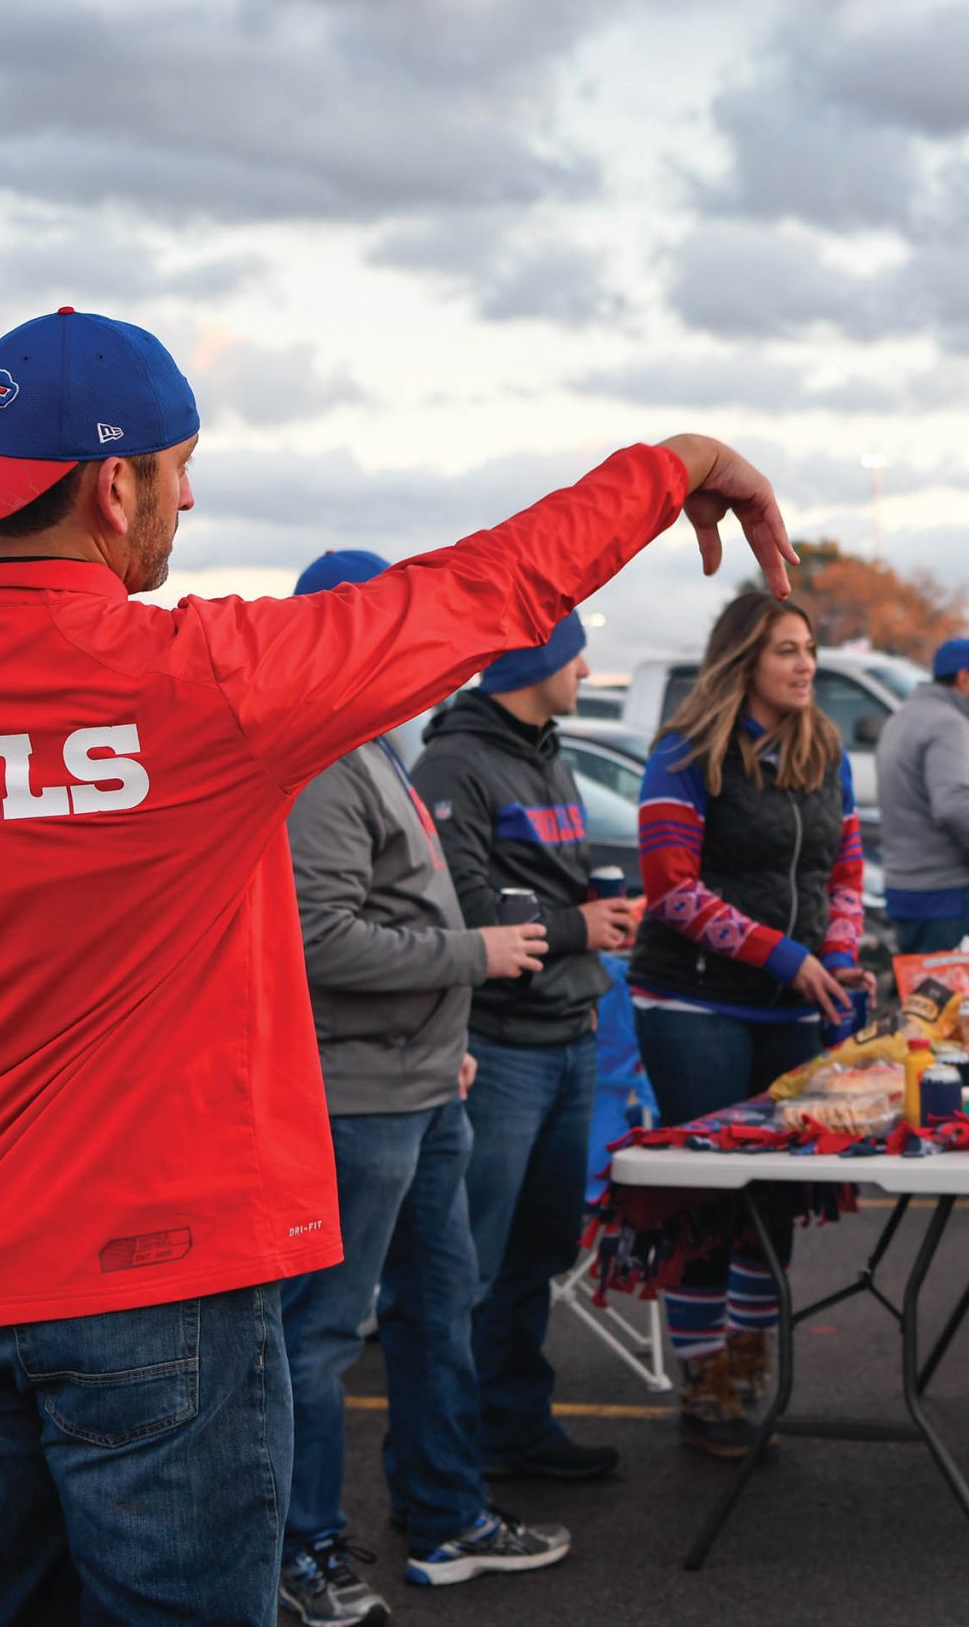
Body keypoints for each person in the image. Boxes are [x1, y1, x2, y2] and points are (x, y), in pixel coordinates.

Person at [0, 306, 795, 1619]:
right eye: (183, 462)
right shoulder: (200, 679)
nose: (191, 490)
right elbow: (470, 594)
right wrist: (670, 464)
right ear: (113, 484)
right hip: (154, 1282)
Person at [280, 549, 566, 1615]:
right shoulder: (320, 758)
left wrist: (443, 1029)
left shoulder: (372, 743)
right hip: (356, 1097)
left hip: (419, 1083)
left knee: (440, 1307)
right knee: (321, 1333)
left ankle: (445, 1520)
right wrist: (472, 960)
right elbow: (322, 939)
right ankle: (305, 1551)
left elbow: (392, 909)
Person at [627, 593, 874, 1455]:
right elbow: (672, 889)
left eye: (810, 648)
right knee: (708, 1200)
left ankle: (747, 1371)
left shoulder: (824, 747)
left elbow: (847, 868)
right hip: (693, 1004)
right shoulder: (686, 752)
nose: (806, 664)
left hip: (791, 1007)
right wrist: (785, 956)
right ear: (743, 660)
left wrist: (837, 958)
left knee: (776, 1199)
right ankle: (707, 1391)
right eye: (786, 651)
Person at [409, 612, 638, 1487]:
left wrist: (597, 918)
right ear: (536, 659)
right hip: (501, 1051)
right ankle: (447, 1473)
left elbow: (545, 889)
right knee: (469, 1265)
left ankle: (514, 1426)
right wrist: (582, 924)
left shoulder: (550, 755)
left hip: (569, 1039)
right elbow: (464, 912)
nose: (585, 664)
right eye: (573, 647)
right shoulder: (453, 765)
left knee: (537, 1253)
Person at [875, 635, 969, 956]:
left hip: (906, 891)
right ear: (966, 679)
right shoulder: (949, 724)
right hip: (950, 896)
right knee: (964, 1004)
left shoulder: (901, 718)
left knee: (919, 1002)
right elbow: (953, 806)